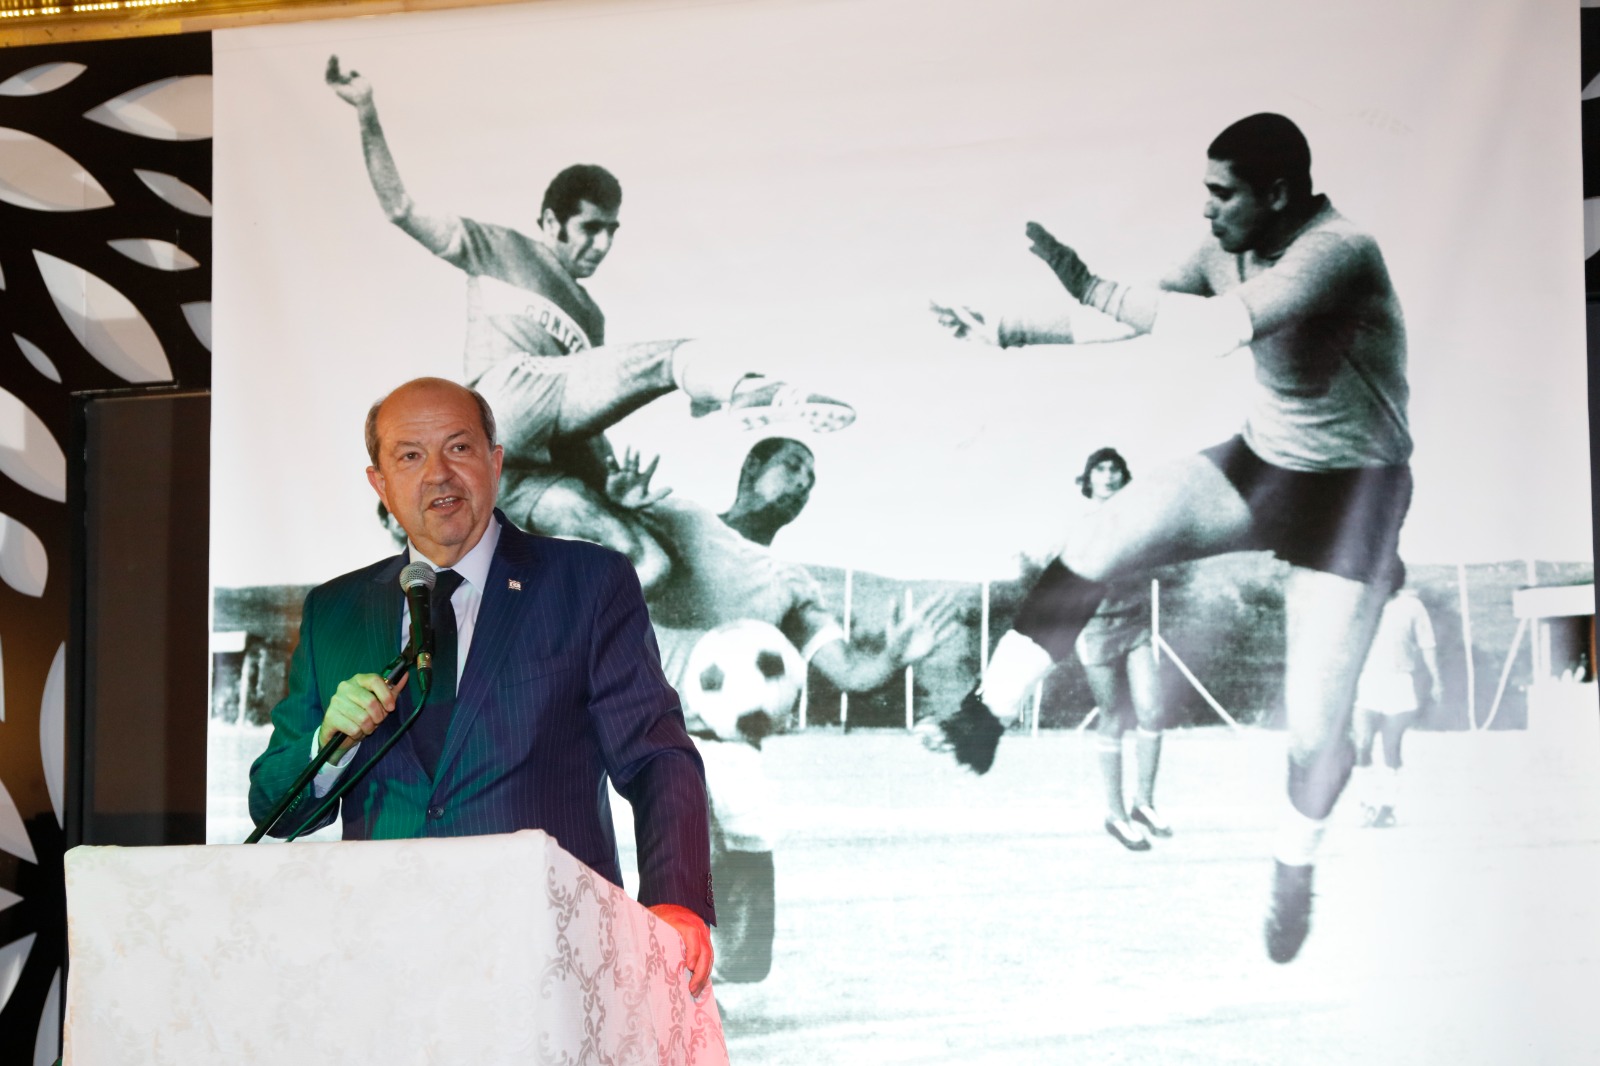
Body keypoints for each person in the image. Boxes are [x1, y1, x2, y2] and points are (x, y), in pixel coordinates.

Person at [929, 113, 1412, 964]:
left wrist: (1091, 283)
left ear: (1278, 193)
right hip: (1266, 464)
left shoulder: (1338, 251)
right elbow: (1132, 318)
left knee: (1312, 736)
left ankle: (1294, 862)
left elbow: (1217, 327)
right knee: (1103, 533)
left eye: (1223, 194)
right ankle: (985, 714)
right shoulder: (1226, 246)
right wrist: (1006, 327)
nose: (1208, 210)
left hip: (1355, 498)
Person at [247, 377, 715, 994]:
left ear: (495, 463)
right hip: (385, 965)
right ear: (380, 484)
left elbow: (657, 757)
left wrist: (676, 899)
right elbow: (273, 810)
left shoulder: (586, 583)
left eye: (459, 448)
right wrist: (328, 745)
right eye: (409, 456)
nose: (437, 474)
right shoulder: (333, 612)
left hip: (550, 961)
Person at [325, 57, 852, 592]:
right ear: (551, 221)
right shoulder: (497, 247)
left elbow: (580, 415)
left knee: (647, 562)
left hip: (517, 475)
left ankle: (552, 630)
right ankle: (749, 391)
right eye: (590, 229)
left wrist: (611, 484)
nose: (601, 245)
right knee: (676, 356)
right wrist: (366, 111)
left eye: (611, 232)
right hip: (501, 402)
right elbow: (400, 208)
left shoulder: (589, 316)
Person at [615, 437, 958, 982]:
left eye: (811, 480)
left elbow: (852, 673)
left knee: (747, 960)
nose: (803, 483)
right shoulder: (683, 522)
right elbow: (617, 551)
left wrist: (893, 657)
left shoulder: (792, 584)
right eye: (793, 466)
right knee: (695, 855)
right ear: (751, 467)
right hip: (659, 737)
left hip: (737, 756)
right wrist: (624, 507)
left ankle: (686, 983)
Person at [1068, 447, 1171, 852]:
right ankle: (1116, 815)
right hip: (1094, 628)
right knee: (1112, 718)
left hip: (1135, 624)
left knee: (1152, 710)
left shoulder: (1136, 521)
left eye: (1115, 470)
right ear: (1088, 479)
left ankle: (1143, 803)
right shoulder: (1081, 525)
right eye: (1100, 470)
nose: (1109, 476)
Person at [1351, 587, 1441, 828]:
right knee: (1362, 744)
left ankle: (1387, 808)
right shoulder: (1362, 601)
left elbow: (1427, 643)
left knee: (1391, 747)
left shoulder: (1412, 606)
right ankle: (1366, 805)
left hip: (1398, 682)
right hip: (1368, 680)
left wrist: (1436, 679)